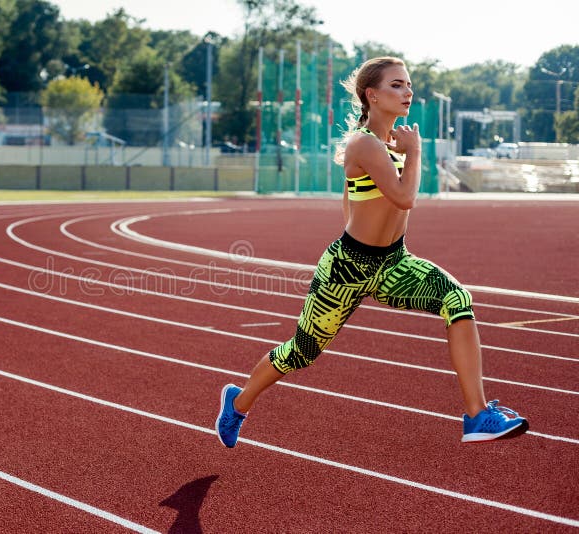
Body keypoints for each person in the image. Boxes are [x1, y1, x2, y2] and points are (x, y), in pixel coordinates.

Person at [215, 56, 528, 447]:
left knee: (456, 299)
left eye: (409, 84)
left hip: (394, 262)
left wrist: (400, 163)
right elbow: (403, 198)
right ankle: (238, 402)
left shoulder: (389, 144)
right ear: (373, 95)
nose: (408, 91)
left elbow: (349, 202)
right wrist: (414, 153)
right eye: (397, 85)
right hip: (346, 269)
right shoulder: (364, 143)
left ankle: (477, 415)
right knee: (301, 352)